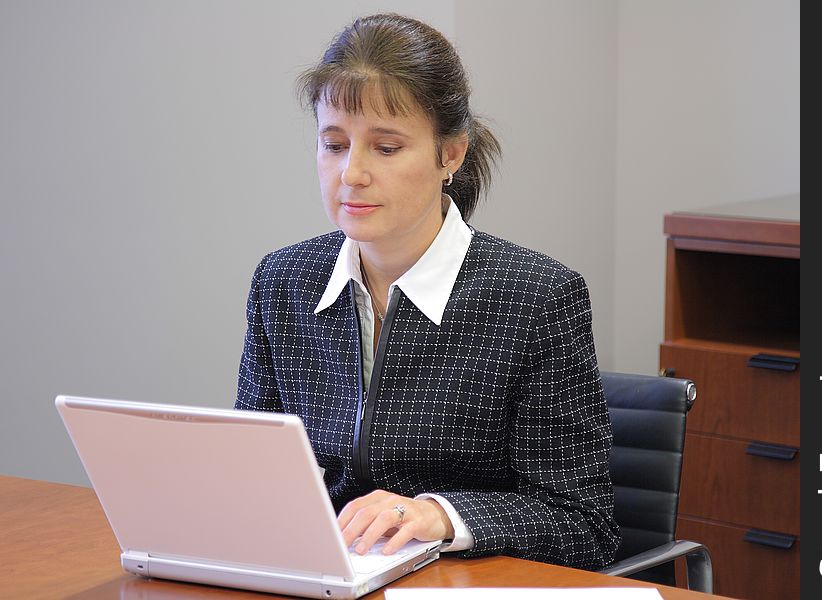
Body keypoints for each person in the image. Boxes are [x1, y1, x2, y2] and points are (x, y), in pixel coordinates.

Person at [235, 13, 619, 570]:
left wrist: (440, 515)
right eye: (334, 145)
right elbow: (258, 476)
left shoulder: (537, 298)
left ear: (451, 154)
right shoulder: (283, 283)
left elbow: (584, 523)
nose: (352, 174)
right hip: (324, 576)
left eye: (386, 148)